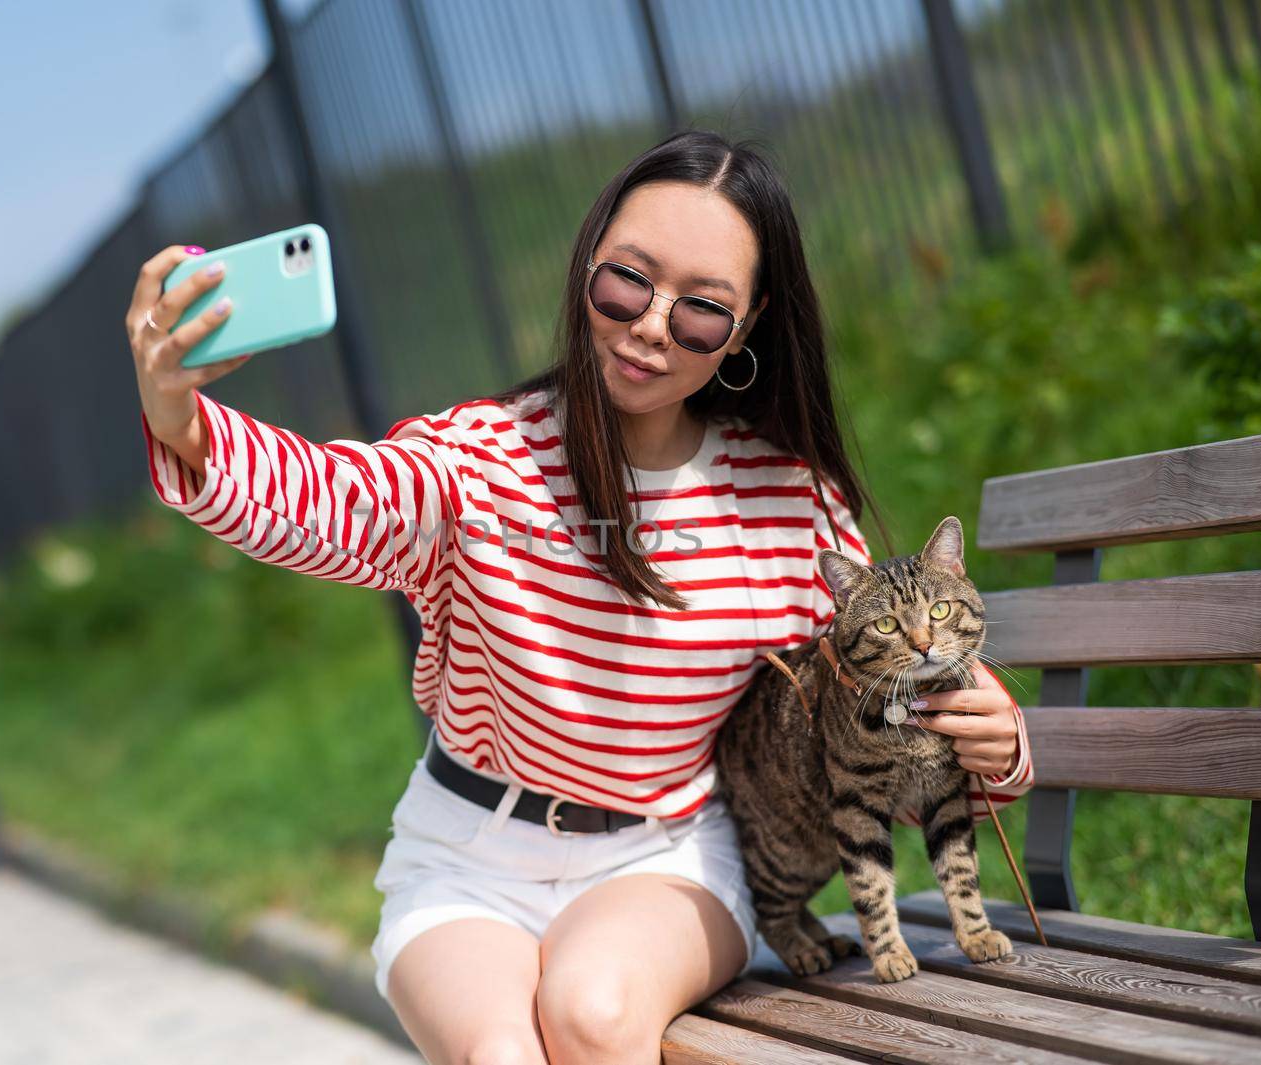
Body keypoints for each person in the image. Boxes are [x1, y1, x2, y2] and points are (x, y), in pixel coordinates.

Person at [125, 131, 1034, 1065]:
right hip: (467, 855)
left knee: (593, 1016)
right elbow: (331, 499)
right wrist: (181, 420)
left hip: (668, 854)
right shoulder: (484, 459)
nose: (649, 325)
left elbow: (877, 695)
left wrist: (998, 741)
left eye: (702, 311)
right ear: (588, 258)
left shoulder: (787, 501)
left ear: (750, 324)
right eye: (627, 282)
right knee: (502, 1056)